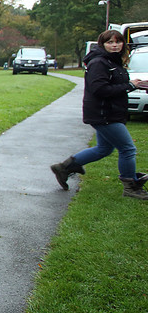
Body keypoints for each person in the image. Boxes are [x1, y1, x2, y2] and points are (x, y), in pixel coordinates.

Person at [51, 29, 148, 199]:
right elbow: (100, 89)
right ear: (102, 44)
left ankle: (63, 168)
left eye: (118, 42)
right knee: (127, 149)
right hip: (104, 114)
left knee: (104, 149)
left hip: (111, 112)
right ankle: (131, 187)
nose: (115, 45)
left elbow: (114, 84)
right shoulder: (99, 63)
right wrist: (130, 86)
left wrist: (136, 84)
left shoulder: (113, 61)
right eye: (110, 42)